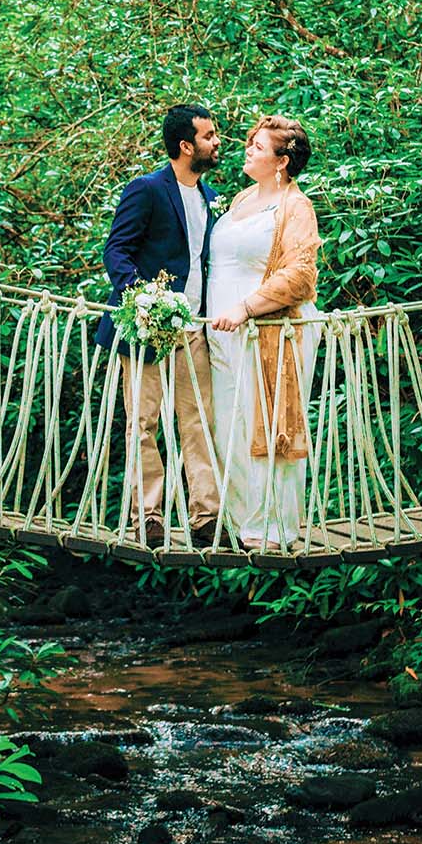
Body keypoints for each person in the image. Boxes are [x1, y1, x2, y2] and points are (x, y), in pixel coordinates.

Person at [95, 104, 224, 547]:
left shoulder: (210, 198)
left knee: (198, 421)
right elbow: (117, 251)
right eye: (209, 135)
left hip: (195, 329)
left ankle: (206, 517)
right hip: (147, 326)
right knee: (143, 423)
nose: (217, 141)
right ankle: (148, 515)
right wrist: (143, 300)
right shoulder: (147, 189)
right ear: (186, 146)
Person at [207, 115, 321, 550]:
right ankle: (242, 522)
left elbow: (300, 275)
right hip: (222, 335)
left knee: (270, 426)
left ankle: (273, 527)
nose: (248, 150)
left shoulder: (296, 206)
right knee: (229, 425)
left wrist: (246, 307)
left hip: (271, 332)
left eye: (258, 146)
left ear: (282, 160)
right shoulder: (240, 199)